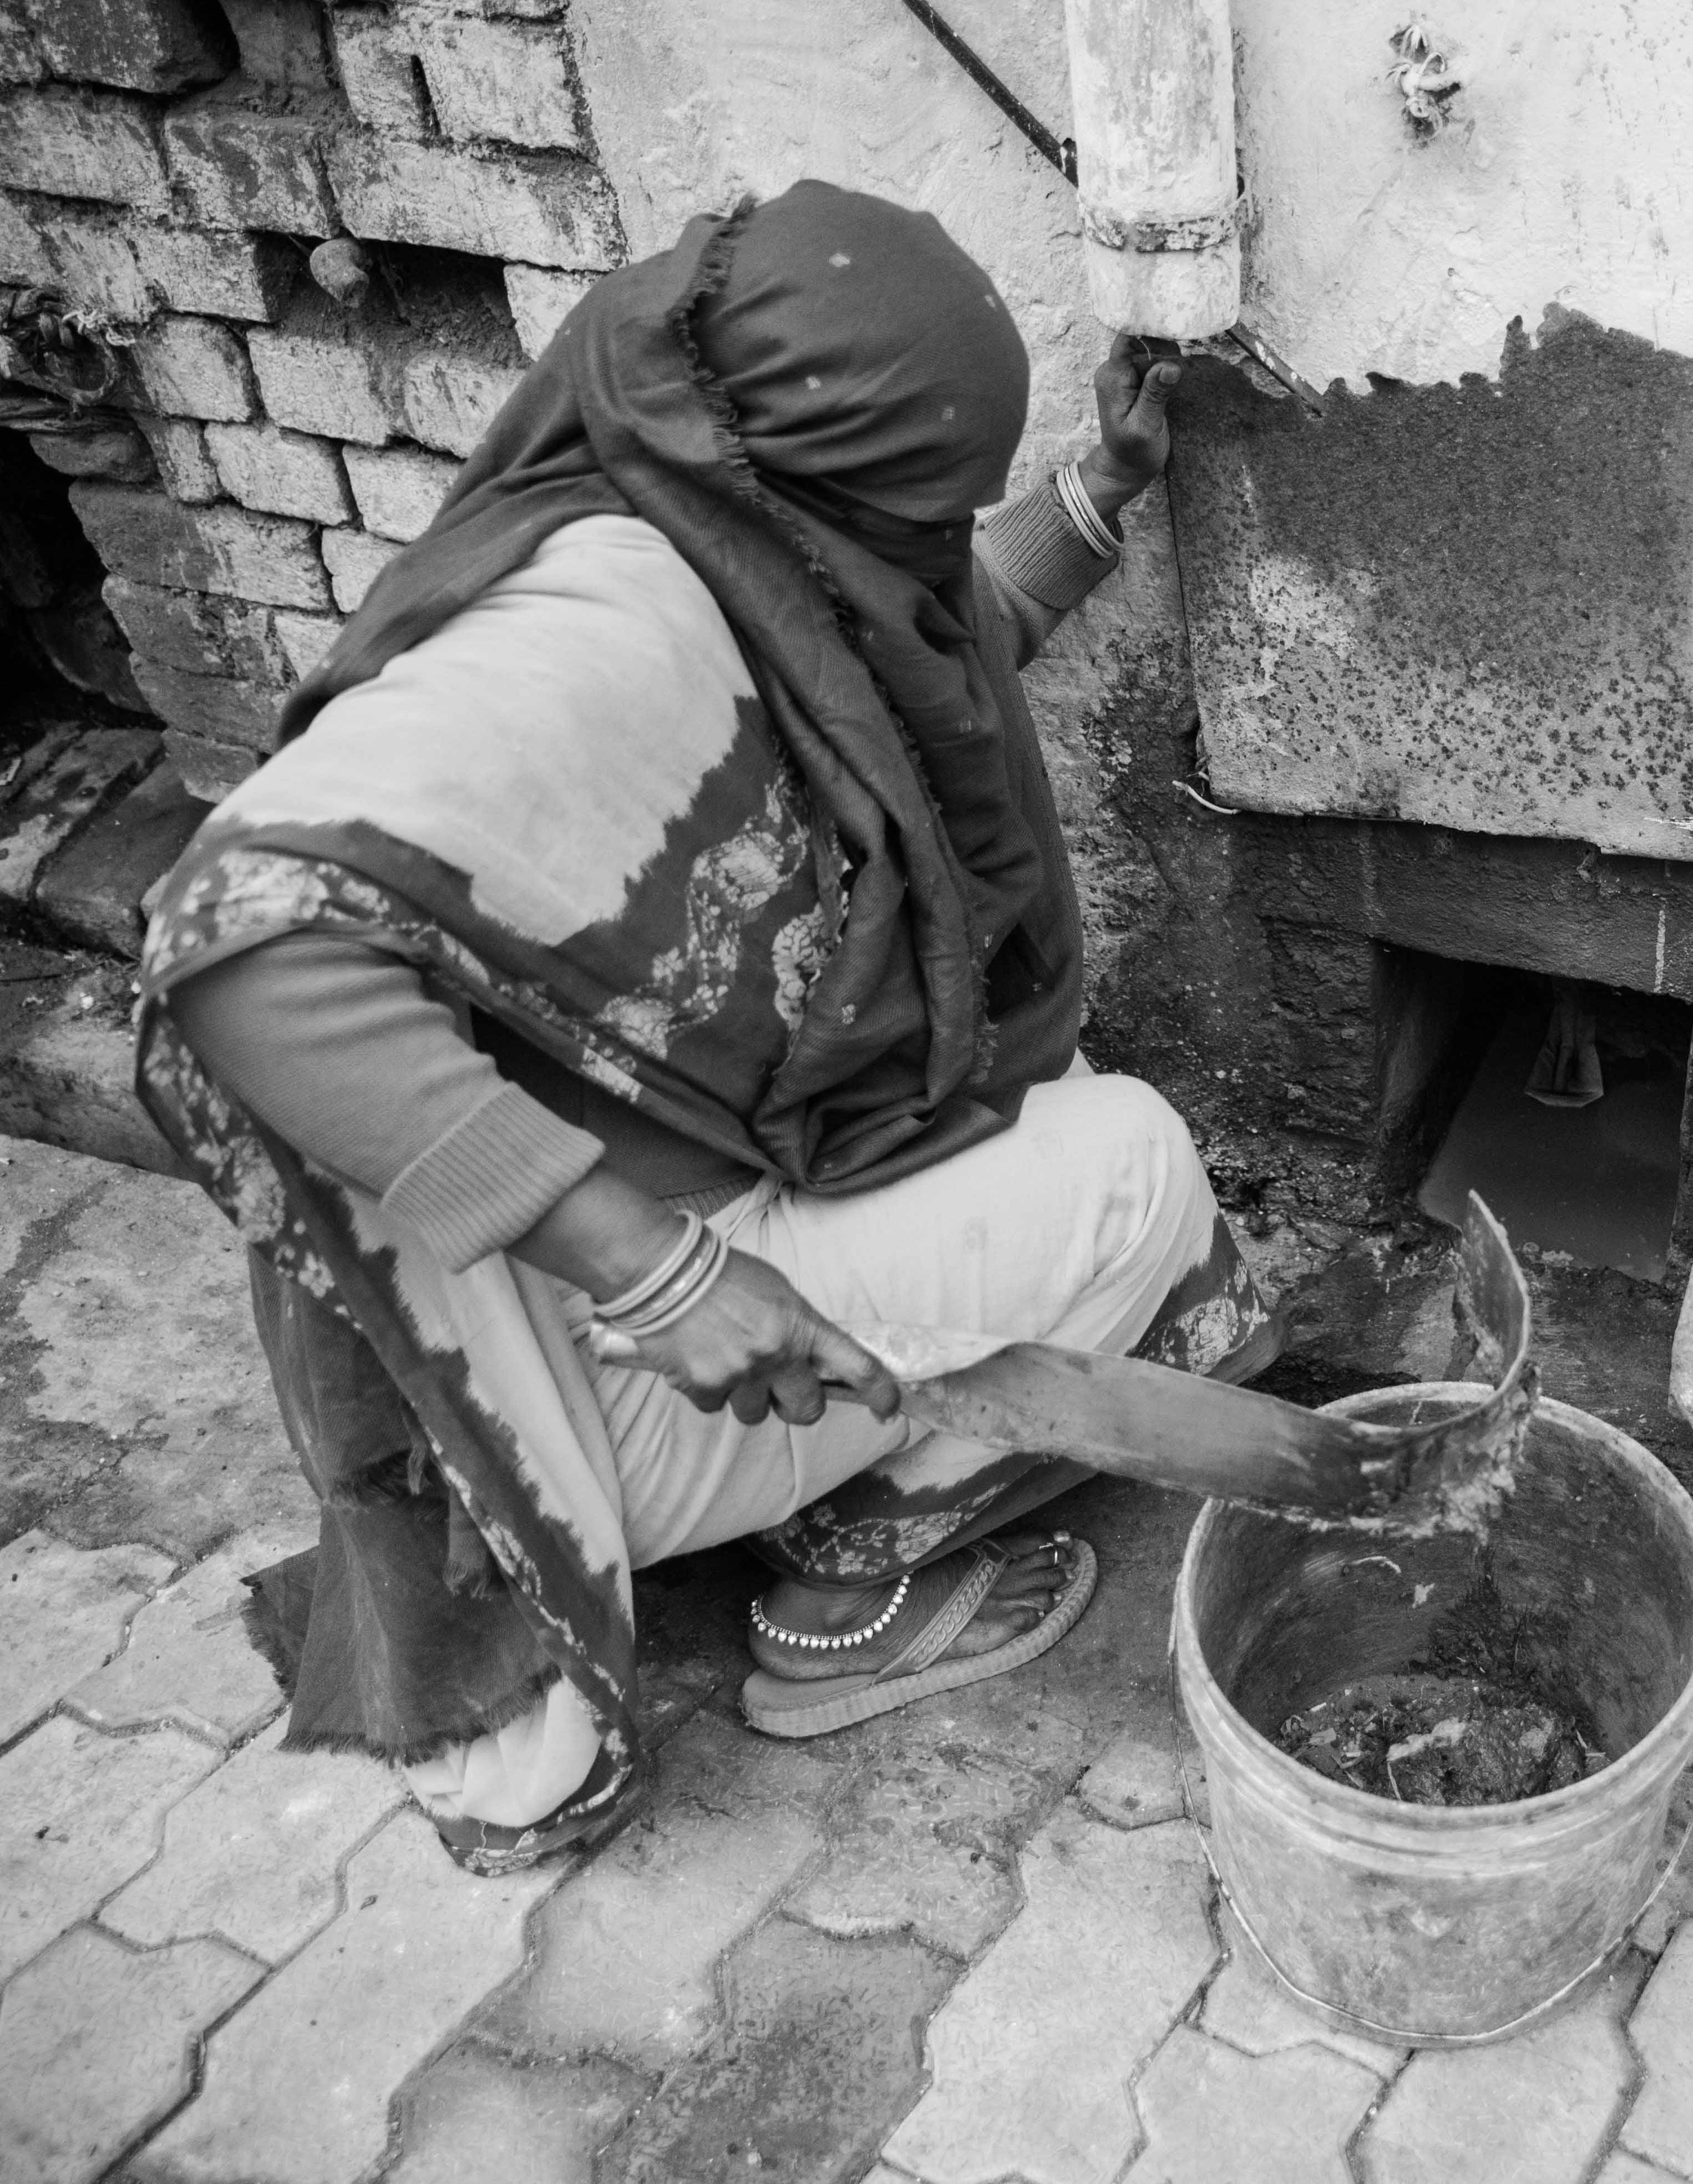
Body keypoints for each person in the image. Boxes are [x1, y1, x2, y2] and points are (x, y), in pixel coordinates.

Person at [136, 181, 1278, 1872]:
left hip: (586, 1290)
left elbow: (911, 659)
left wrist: (1091, 505)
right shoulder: (611, 626)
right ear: (810, 493)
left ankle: (754, 1474)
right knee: (1136, 1176)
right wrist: (661, 1275)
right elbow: (232, 948)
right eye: (918, 518)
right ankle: (850, 1585)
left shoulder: (690, 495)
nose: (929, 563)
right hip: (581, 1362)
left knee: (1054, 1129)